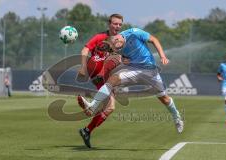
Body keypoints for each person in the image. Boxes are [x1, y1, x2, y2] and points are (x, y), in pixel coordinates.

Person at [78, 28, 184, 133]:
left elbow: (154, 39)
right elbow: (121, 58)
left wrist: (162, 56)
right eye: (115, 49)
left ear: (118, 39)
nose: (117, 49)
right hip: (133, 70)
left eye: (117, 47)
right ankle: (92, 106)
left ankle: (176, 117)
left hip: (150, 71)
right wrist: (122, 59)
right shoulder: (115, 46)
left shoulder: (134, 33)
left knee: (164, 99)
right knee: (112, 80)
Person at [77, 14, 123, 148]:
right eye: (115, 24)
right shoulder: (99, 37)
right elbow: (85, 49)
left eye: (120, 24)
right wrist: (82, 66)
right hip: (98, 73)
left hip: (109, 76)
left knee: (109, 108)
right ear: (109, 24)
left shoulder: (120, 41)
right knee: (110, 106)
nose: (118, 27)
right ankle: (89, 109)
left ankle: (87, 128)